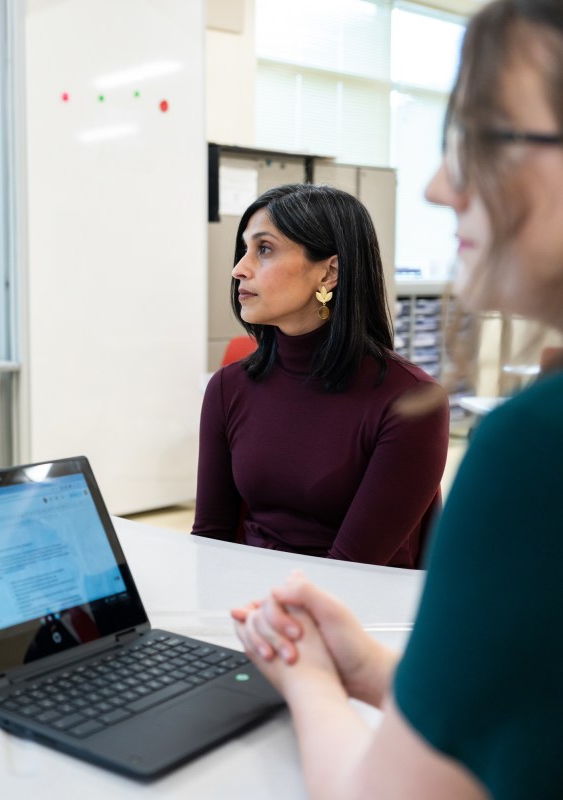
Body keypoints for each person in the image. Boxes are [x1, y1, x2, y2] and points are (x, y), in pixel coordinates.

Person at [234, 1, 563, 796]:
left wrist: (308, 677)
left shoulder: (531, 451)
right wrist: (376, 670)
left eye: (486, 139)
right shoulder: (233, 384)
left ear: (328, 273)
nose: (441, 184)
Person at [192, 182, 449, 567]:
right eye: (245, 249)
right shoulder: (229, 387)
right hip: (247, 603)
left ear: (329, 273)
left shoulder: (411, 402)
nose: (238, 269)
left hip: (353, 613)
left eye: (264, 249)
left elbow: (353, 568)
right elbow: (209, 542)